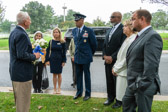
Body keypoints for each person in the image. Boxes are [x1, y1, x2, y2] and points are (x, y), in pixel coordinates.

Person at [122, 9, 163, 112]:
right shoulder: (140, 35)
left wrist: (141, 84)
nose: (131, 22)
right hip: (133, 84)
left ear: (142, 19)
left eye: (133, 19)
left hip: (142, 86)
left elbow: (151, 66)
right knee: (126, 105)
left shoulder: (153, 36)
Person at [8, 11, 40, 112]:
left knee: (20, 102)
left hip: (16, 72)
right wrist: (34, 56)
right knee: (23, 104)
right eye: (29, 19)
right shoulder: (21, 34)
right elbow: (21, 55)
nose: (30, 22)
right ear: (25, 21)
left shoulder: (14, 32)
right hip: (22, 74)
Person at [102, 11, 126, 106]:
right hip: (107, 61)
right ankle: (110, 98)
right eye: (110, 17)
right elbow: (104, 44)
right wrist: (104, 55)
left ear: (119, 18)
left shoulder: (123, 29)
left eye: (112, 17)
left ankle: (119, 101)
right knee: (109, 80)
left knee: (117, 82)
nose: (110, 18)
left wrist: (112, 57)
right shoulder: (110, 29)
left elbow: (122, 46)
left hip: (116, 61)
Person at [111, 20, 136, 109]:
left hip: (125, 71)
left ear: (131, 27)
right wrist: (115, 67)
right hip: (121, 70)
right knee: (120, 92)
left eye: (125, 26)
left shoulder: (133, 39)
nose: (123, 27)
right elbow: (120, 55)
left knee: (124, 94)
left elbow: (127, 58)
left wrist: (116, 68)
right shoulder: (127, 38)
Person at [72, 13, 97, 101]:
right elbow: (76, 44)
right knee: (78, 75)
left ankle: (88, 93)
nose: (75, 22)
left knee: (86, 75)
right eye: (75, 20)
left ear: (82, 20)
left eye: (77, 20)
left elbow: (94, 44)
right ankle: (79, 92)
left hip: (86, 57)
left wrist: (90, 53)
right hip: (78, 56)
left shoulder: (88, 30)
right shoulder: (74, 30)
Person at [45, 27, 66, 94]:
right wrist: (47, 60)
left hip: (60, 59)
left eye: (57, 32)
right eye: (54, 32)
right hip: (52, 59)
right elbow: (48, 51)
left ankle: (59, 88)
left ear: (59, 33)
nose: (55, 33)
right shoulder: (51, 41)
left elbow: (64, 52)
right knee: (54, 74)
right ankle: (54, 88)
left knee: (59, 74)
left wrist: (64, 61)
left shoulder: (62, 42)